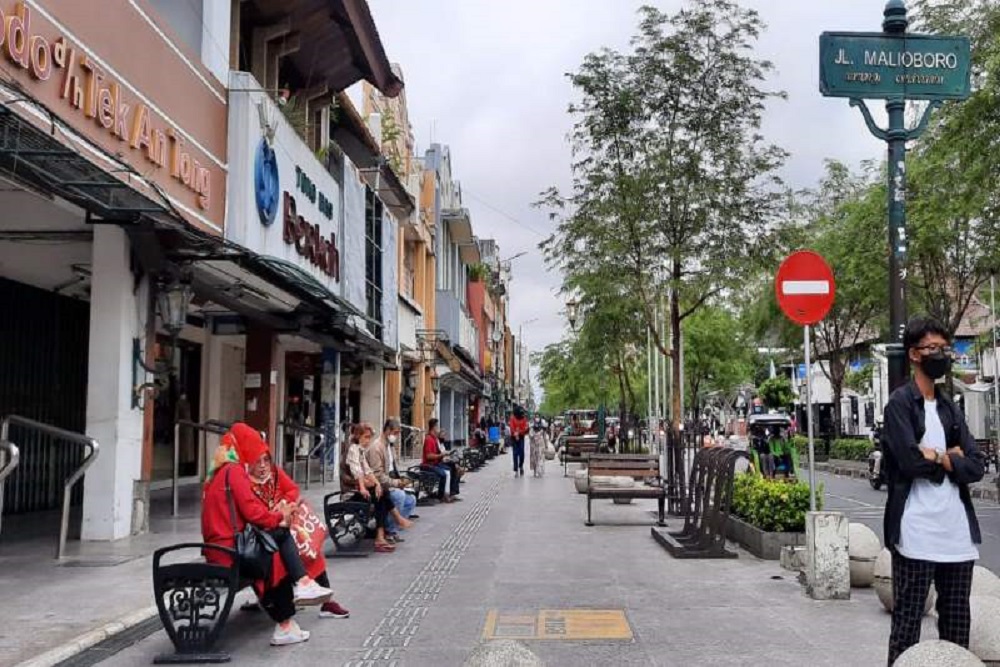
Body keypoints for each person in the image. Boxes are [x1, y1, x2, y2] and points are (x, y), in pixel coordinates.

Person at [883, 317, 985, 665]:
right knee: (907, 625)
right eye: (932, 349)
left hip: (956, 534)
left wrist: (938, 456)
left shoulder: (950, 406)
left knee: (957, 628)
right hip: (915, 532)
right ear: (913, 354)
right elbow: (909, 463)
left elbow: (976, 465)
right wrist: (948, 459)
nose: (940, 355)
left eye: (945, 349)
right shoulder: (900, 404)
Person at [201, 423, 333, 646]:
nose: (257, 460)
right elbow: (252, 511)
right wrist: (278, 518)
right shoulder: (234, 472)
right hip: (230, 551)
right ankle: (294, 602)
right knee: (276, 548)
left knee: (275, 548)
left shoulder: (218, 473)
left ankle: (291, 613)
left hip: (220, 550)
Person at [341, 423, 399, 553]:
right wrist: (362, 487)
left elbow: (368, 470)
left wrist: (377, 484)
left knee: (381, 493)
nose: (368, 441)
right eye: (366, 437)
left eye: (369, 438)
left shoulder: (360, 450)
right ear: (358, 436)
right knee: (381, 495)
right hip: (350, 494)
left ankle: (381, 534)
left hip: (360, 490)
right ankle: (383, 532)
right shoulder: (353, 449)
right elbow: (357, 472)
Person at [367, 418, 416, 543]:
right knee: (399, 496)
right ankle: (389, 530)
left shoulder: (390, 447)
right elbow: (377, 475)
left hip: (388, 483)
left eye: (398, 433)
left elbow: (392, 469)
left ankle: (393, 526)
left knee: (411, 500)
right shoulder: (376, 447)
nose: (396, 436)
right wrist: (396, 483)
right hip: (378, 485)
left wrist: (401, 481)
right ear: (387, 430)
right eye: (395, 433)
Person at [422, 419, 455, 503]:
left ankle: (447, 494)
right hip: (428, 465)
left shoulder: (434, 439)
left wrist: (444, 454)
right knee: (444, 474)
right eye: (438, 427)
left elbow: (437, 453)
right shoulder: (429, 439)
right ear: (434, 428)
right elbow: (428, 456)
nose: (439, 429)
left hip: (434, 464)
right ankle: (441, 496)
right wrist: (442, 455)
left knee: (449, 469)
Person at [509, 406, 530, 476]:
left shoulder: (524, 418)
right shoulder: (512, 418)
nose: (522, 414)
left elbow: (525, 428)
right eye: (521, 413)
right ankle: (516, 470)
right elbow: (511, 428)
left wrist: (519, 432)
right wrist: (515, 433)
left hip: (521, 437)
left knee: (521, 452)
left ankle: (521, 466)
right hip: (514, 437)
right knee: (515, 453)